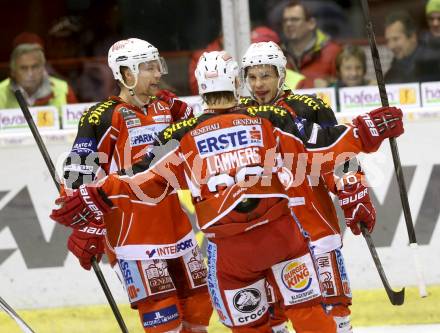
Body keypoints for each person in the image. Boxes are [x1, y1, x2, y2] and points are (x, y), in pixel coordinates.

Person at [50, 50, 404, 333]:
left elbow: (139, 176)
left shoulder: (180, 127)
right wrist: (365, 129)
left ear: (200, 86)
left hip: (230, 253)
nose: (156, 74)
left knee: (242, 320)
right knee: (310, 311)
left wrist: (96, 197)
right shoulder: (265, 117)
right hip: (283, 238)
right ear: (238, 81)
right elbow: (324, 145)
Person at [60, 38, 212, 333]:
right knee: (163, 319)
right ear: (126, 74)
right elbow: (78, 178)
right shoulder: (101, 116)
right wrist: (87, 227)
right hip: (133, 238)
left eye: (158, 66)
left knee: (199, 305)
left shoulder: (170, 107)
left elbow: (202, 129)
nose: (158, 74)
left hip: (176, 227)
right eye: (149, 68)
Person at [239, 41, 377, 332]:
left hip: (314, 225)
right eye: (252, 77)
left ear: (280, 74)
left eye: (265, 75)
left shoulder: (309, 107)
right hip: (268, 230)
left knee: (334, 309)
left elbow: (338, 155)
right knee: (275, 313)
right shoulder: (241, 117)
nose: (258, 83)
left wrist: (352, 190)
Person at [187, 26, 280, 95]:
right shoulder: (203, 59)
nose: (258, 84)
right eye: (252, 77)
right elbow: (199, 89)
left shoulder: (254, 51)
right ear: (223, 36)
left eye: (265, 77)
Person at [0, 33, 77, 110]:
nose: (30, 73)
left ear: (43, 67)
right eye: (23, 68)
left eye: (34, 67)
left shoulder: (64, 90)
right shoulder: (1, 91)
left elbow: (78, 121)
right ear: (13, 71)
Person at [280, 0, 341, 88]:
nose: (288, 24)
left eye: (295, 19)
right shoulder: (278, 54)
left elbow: (346, 87)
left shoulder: (333, 52)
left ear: (311, 23)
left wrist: (331, 85)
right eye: (285, 20)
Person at [384, 10, 440, 83]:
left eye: (396, 39)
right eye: (388, 40)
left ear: (413, 37)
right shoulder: (392, 72)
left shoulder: (434, 61)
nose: (391, 46)